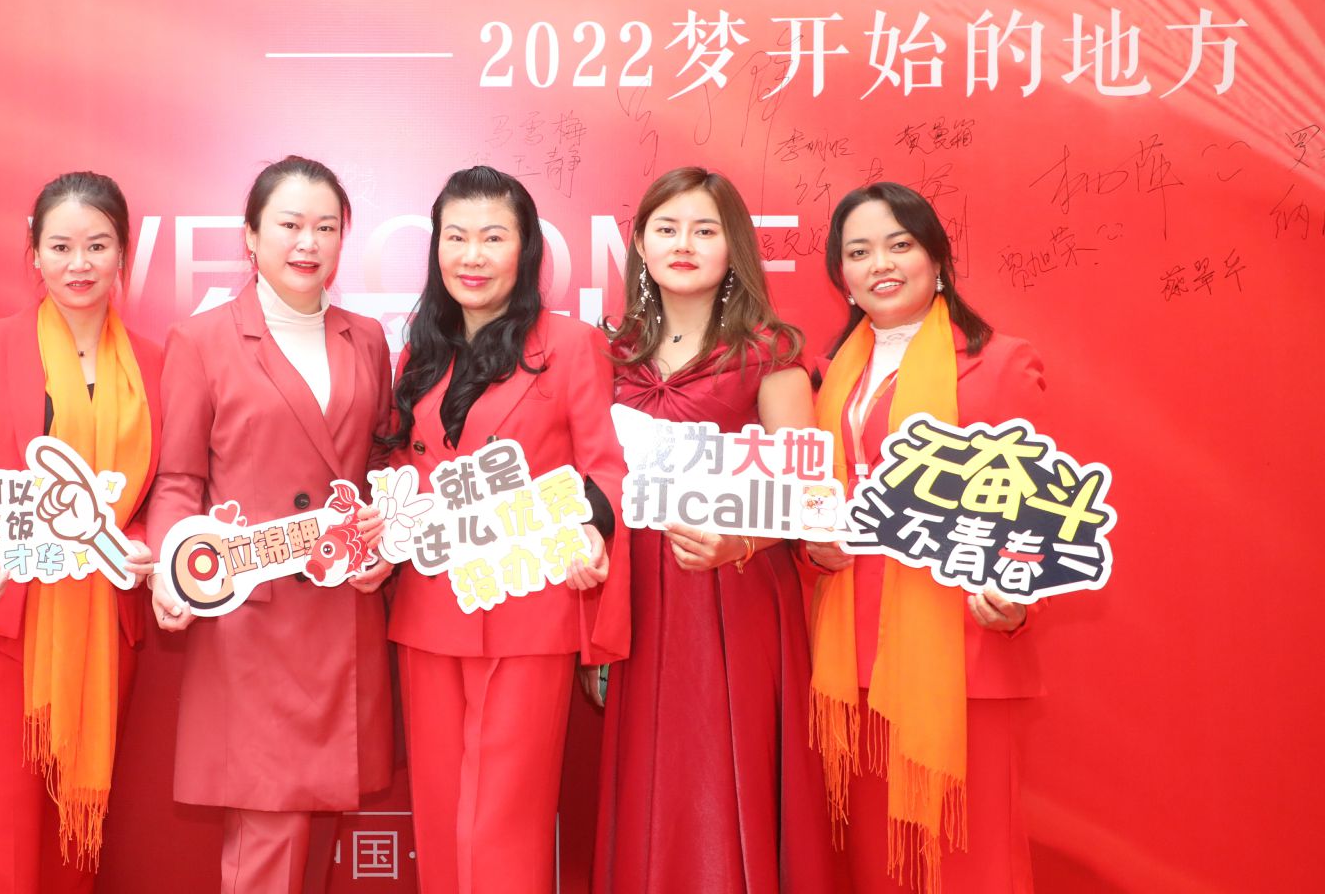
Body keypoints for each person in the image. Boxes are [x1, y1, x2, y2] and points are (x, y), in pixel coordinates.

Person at [592, 167, 845, 894]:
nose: (684, 245)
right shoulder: (608, 357)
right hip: (637, 601)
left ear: (733, 246)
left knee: (728, 774)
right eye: (667, 229)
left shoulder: (770, 354)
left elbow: (806, 493)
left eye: (705, 231)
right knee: (649, 778)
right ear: (640, 245)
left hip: (737, 595)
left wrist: (743, 541)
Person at [146, 156, 395, 894]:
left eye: (326, 227)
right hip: (251, 618)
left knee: (315, 833)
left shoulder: (368, 338)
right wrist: (172, 571)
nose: (307, 242)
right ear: (251, 236)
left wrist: (388, 541)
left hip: (343, 609)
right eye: (289, 224)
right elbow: (179, 480)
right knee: (267, 835)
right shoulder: (202, 340)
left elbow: (381, 462)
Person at [0, 172, 161, 893]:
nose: (79, 264)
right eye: (60, 246)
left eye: (97, 245)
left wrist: (145, 540)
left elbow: (166, 488)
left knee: (72, 846)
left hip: (101, 624)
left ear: (124, 253)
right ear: (34, 253)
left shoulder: (156, 362)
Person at [804, 182, 1047, 894]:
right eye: (858, 252)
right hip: (854, 658)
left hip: (960, 650)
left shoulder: (1000, 363)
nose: (880, 264)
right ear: (841, 274)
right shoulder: (827, 377)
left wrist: (1016, 596)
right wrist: (813, 545)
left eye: (899, 244)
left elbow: (1036, 513)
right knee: (878, 866)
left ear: (937, 257)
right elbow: (816, 497)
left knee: (970, 863)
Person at [384, 165, 621, 894]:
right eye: (456, 237)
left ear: (526, 249)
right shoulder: (418, 350)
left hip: (527, 607)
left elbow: (604, 468)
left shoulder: (572, 343)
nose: (473, 256)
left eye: (493, 237)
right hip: (428, 610)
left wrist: (592, 533)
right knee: (439, 811)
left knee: (505, 821)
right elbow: (398, 469)